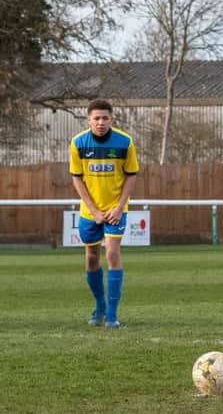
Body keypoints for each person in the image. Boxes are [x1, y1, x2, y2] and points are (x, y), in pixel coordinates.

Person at [69, 99, 139, 328]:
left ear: (112, 119)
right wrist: (94, 210)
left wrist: (118, 208)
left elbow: (131, 175)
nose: (101, 122)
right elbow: (76, 178)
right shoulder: (78, 143)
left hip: (115, 210)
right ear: (89, 120)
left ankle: (111, 314)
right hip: (91, 212)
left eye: (105, 118)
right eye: (96, 118)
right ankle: (99, 305)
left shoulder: (125, 142)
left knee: (112, 254)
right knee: (91, 258)